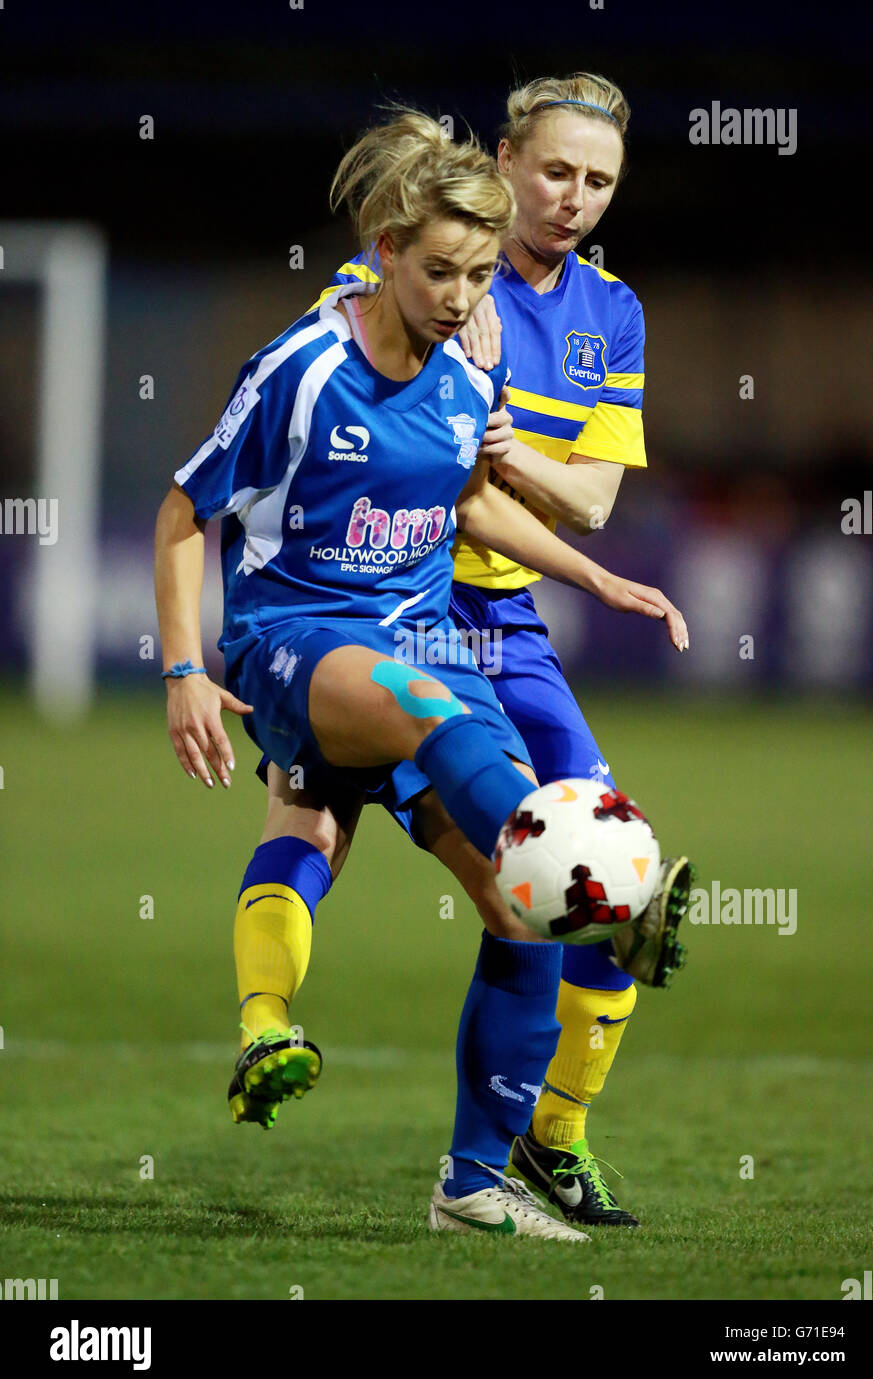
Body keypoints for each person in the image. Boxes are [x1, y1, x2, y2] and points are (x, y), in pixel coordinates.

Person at [155, 110, 688, 1240]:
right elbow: (181, 509)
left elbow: (472, 499)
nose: (457, 297)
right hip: (298, 636)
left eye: (477, 277)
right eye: (439, 270)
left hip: (416, 635)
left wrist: (599, 580)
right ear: (385, 252)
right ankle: (599, 883)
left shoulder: (460, 378)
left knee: (514, 911)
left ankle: (472, 1180)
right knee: (426, 708)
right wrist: (182, 670)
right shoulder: (303, 367)